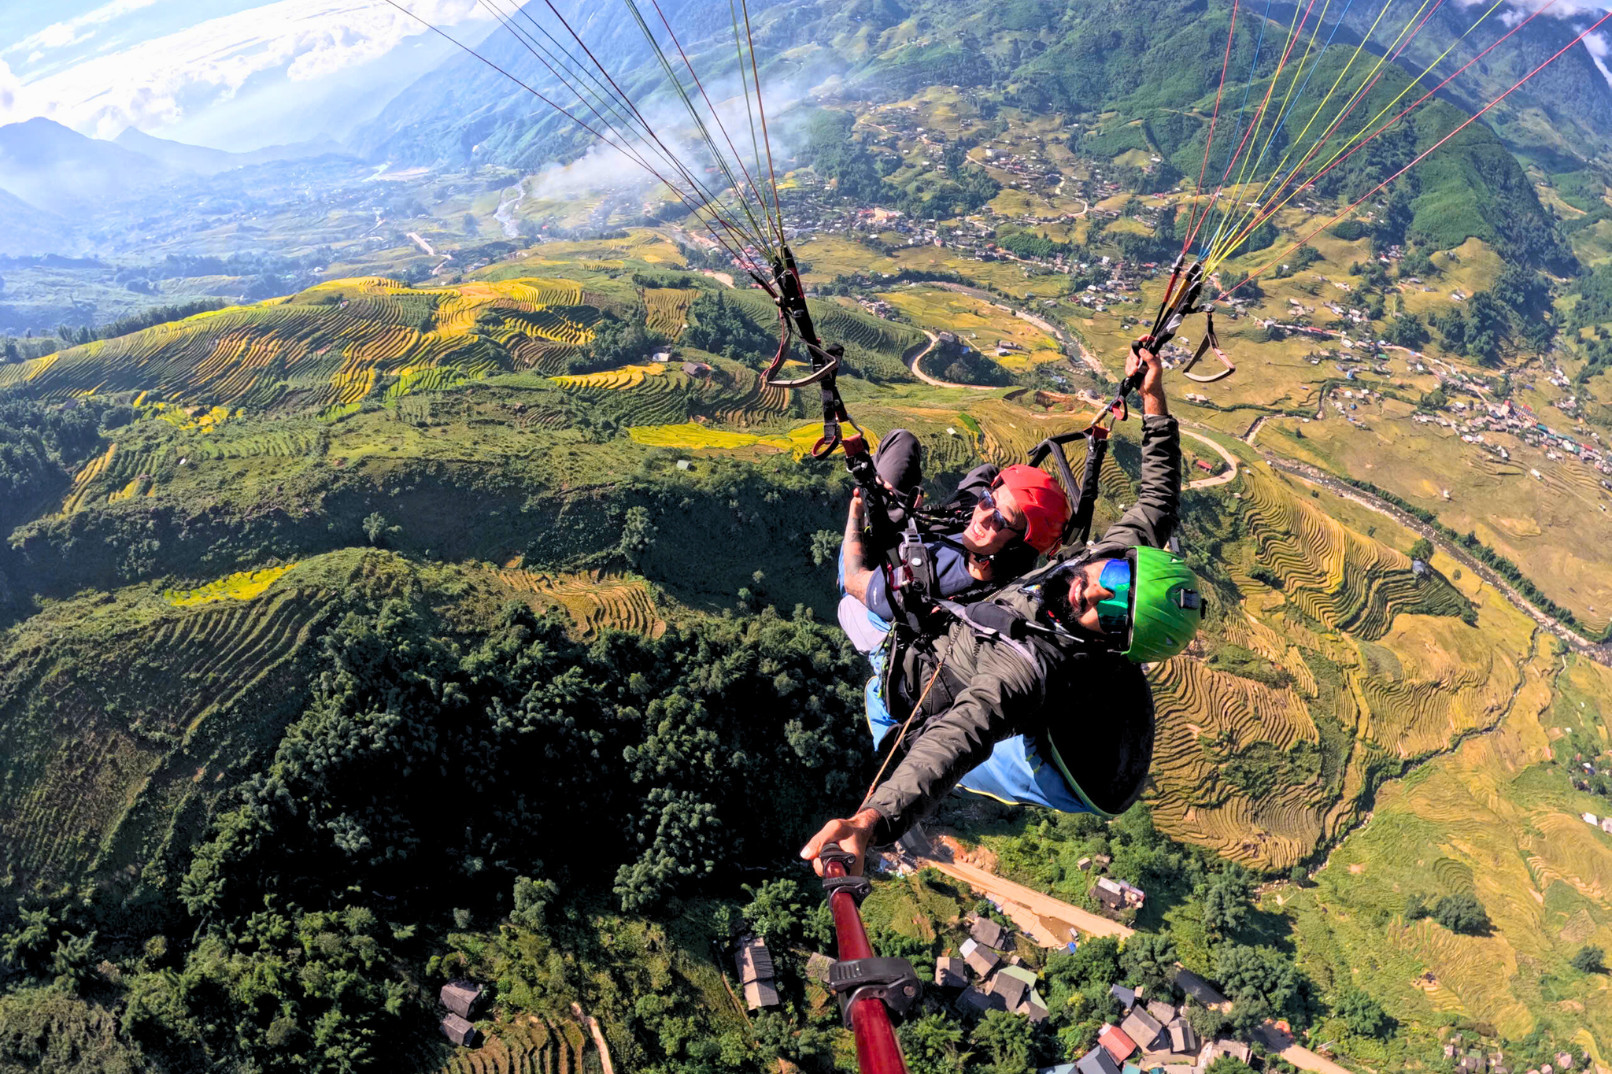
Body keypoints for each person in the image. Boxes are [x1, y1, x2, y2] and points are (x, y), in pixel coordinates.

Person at [803, 345, 1203, 875]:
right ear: (1125, 561)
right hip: (1114, 726)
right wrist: (1153, 394)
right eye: (1115, 581)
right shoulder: (1109, 559)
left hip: (1081, 777)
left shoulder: (1030, 667)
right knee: (865, 612)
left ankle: (902, 717)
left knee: (884, 685)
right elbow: (1158, 500)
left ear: (1111, 643)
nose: (1092, 593)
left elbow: (961, 737)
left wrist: (871, 823)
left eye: (1112, 616)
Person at [837, 432, 1072, 748]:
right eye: (988, 500)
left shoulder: (918, 587)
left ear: (1017, 548)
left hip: (876, 577)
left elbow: (853, 580)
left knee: (848, 603)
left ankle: (878, 513)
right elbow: (986, 475)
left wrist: (857, 513)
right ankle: (902, 511)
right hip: (923, 538)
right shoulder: (995, 547)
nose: (984, 515)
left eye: (1001, 519)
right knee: (903, 441)